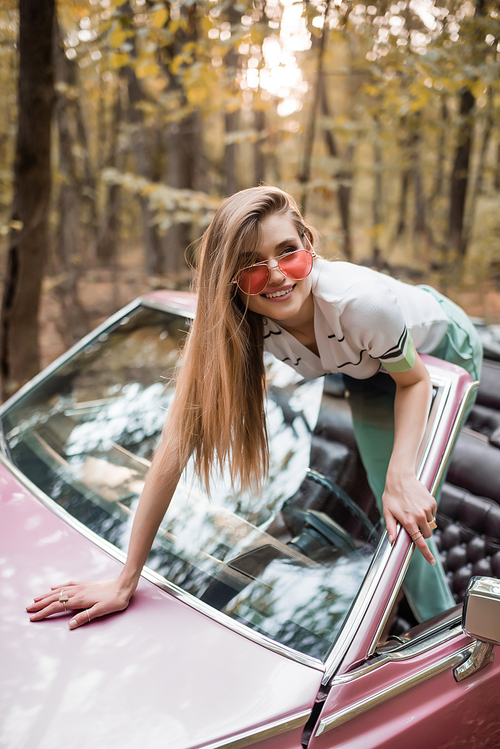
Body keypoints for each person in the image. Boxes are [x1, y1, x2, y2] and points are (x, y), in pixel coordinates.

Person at [27, 185, 482, 628]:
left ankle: (446, 632)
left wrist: (401, 476)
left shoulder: (362, 304)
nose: (278, 275)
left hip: (441, 355)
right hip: (366, 366)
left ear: (309, 242)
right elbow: (176, 444)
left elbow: (414, 380)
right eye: (251, 265)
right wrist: (126, 579)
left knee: (402, 504)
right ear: (228, 279)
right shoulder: (240, 323)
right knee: (376, 479)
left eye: (288, 251)